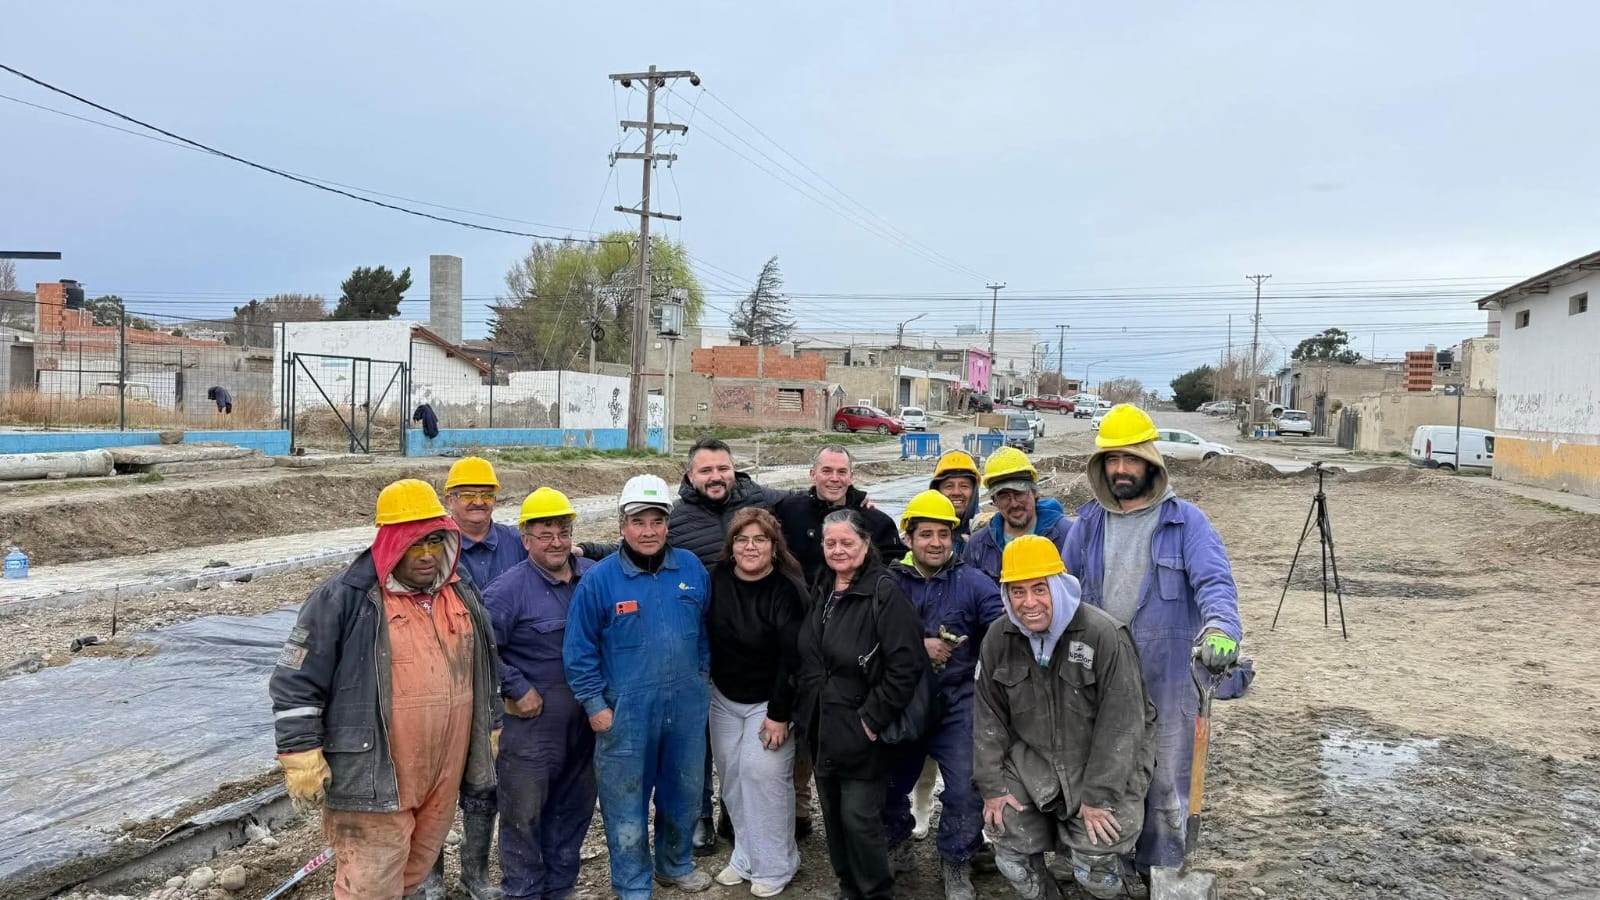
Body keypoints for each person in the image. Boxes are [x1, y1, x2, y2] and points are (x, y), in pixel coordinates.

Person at [270, 478, 503, 900]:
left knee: (411, 879)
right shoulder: (345, 598)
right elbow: (295, 680)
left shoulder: (460, 591)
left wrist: (492, 724)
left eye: (435, 540)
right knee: (370, 886)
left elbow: (486, 665)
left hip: (441, 776)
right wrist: (300, 751)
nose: (429, 554)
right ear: (391, 542)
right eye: (416, 543)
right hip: (373, 779)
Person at [577, 437, 791, 852]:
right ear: (690, 475)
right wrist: (585, 549)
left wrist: (857, 502)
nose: (716, 477)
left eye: (722, 468)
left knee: (726, 747)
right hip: (703, 640)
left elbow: (809, 500)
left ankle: (736, 819)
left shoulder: (760, 501)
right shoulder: (680, 517)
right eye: (706, 470)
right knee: (701, 747)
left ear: (734, 470)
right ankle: (701, 819)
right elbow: (641, 543)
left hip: (734, 650)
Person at [1061, 404, 1242, 883]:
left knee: (1164, 781)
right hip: (1103, 675)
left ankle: (1162, 872)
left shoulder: (1187, 523)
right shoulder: (1089, 525)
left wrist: (1220, 629)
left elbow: (1215, 584)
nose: (1121, 470)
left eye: (1131, 460)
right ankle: (1116, 866)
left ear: (1151, 462)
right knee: (1110, 771)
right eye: (1112, 461)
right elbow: (1064, 593)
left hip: (1167, 675)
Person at [975, 535, 1157, 900]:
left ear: (1058, 586)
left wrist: (1098, 798)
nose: (1029, 603)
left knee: (1094, 868)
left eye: (1039, 589)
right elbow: (987, 716)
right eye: (1017, 591)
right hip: (1034, 763)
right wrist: (992, 787)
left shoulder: (1103, 635)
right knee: (1008, 850)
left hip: (1104, 767)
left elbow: (1122, 727)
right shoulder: (999, 638)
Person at [563, 474, 715, 899]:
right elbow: (579, 650)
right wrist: (595, 704)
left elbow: (703, 631)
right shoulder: (600, 580)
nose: (648, 531)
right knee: (625, 803)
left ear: (668, 524)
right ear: (622, 525)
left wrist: (700, 679)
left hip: (685, 706)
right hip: (624, 713)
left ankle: (676, 865)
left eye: (657, 521)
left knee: (683, 792)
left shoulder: (690, 569)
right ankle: (631, 884)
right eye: (638, 521)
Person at [793, 509, 925, 900]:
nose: (838, 550)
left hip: (861, 725)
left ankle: (875, 890)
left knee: (859, 818)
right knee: (832, 815)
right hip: (823, 724)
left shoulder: (884, 592)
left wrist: (872, 717)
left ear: (865, 545)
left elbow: (907, 664)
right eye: (830, 543)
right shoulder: (822, 586)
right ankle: (849, 886)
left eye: (847, 542)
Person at [881, 491, 1005, 900]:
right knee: (888, 781)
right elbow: (866, 634)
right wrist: (919, 644)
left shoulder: (972, 583)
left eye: (943, 534)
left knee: (966, 786)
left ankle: (956, 861)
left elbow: (1004, 632)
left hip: (957, 701)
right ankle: (896, 845)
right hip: (903, 701)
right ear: (909, 538)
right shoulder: (887, 583)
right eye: (926, 534)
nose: (936, 542)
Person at [482, 487, 597, 900]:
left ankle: (560, 888)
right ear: (525, 538)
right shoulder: (507, 591)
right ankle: (524, 892)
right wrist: (515, 686)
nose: (556, 542)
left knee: (575, 806)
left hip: (586, 717)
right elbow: (478, 650)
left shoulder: (592, 575)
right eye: (544, 533)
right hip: (533, 722)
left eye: (562, 532)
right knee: (523, 814)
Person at [707, 508, 807, 897]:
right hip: (725, 697)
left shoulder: (788, 590)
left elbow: (793, 659)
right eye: (742, 540)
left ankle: (777, 863)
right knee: (732, 778)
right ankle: (746, 856)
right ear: (731, 547)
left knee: (761, 775)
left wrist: (780, 714)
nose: (750, 547)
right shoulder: (716, 580)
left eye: (760, 539)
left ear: (774, 546)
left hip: (770, 702)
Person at [436, 456, 524, 899]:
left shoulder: (515, 543)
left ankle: (475, 873)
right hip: (445, 680)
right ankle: (427, 879)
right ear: (448, 499)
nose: (477, 503)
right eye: (466, 495)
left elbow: (561, 561)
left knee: (484, 781)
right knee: (434, 782)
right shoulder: (433, 547)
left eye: (485, 494)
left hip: (500, 685)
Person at [773, 444, 905, 587]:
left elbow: (894, 573)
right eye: (827, 471)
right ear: (813, 474)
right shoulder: (789, 512)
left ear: (851, 477)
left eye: (842, 472)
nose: (834, 478)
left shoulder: (876, 522)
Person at [962, 447, 1071, 583]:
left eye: (1019, 493)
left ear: (1035, 493)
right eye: (1004, 496)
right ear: (994, 501)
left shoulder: (1068, 536)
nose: (1014, 504)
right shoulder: (978, 545)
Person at [928, 450, 982, 556]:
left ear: (974, 491)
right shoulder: (922, 534)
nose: (956, 492)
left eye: (964, 486)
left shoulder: (989, 532)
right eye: (949, 486)